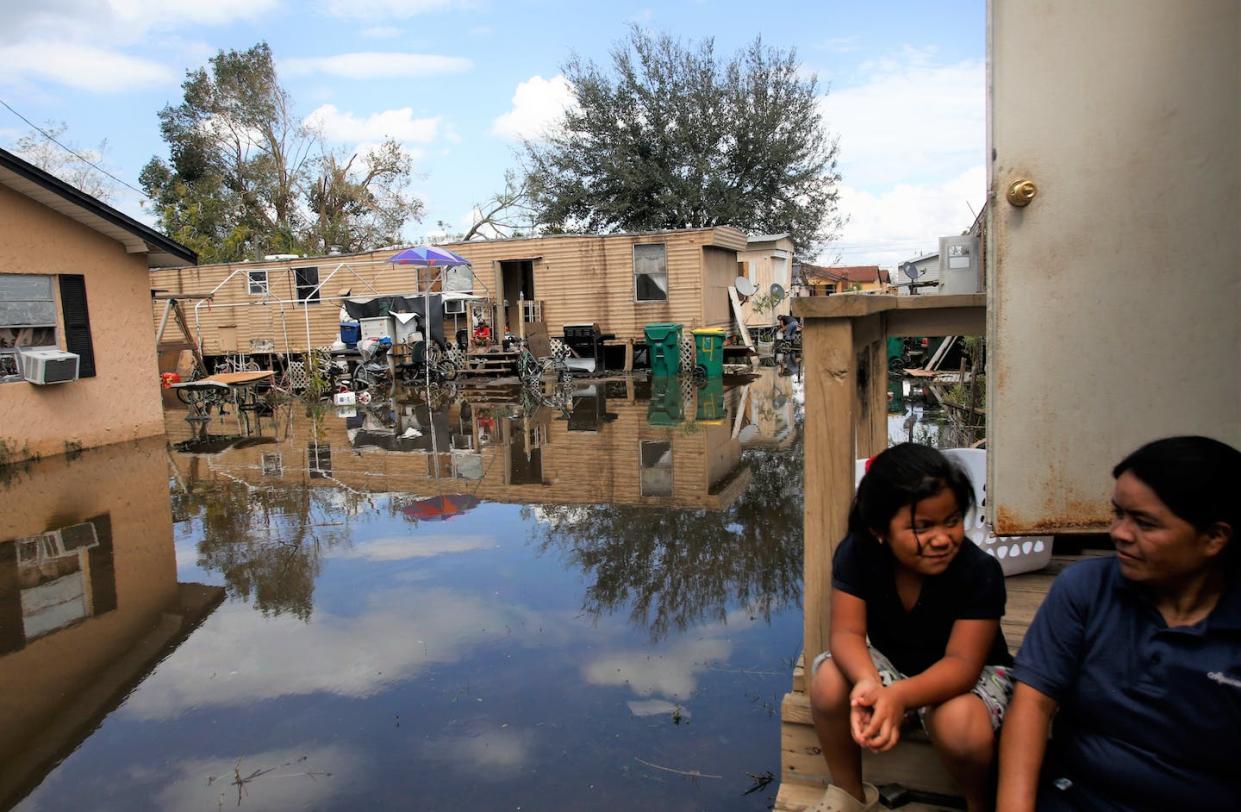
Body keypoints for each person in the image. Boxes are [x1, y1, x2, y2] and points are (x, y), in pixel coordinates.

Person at [997, 436, 1241, 811]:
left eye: (1144, 523)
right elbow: (1032, 703)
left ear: (1213, 538)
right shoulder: (1086, 589)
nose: (1119, 533)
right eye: (1118, 514)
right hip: (1076, 796)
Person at [809, 443, 1012, 812]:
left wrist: (898, 698)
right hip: (896, 669)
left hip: (969, 680)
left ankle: (981, 804)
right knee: (829, 679)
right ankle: (848, 796)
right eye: (922, 527)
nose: (941, 538)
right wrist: (870, 683)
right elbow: (847, 634)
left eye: (952, 520)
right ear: (879, 530)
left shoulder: (978, 571)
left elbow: (962, 666)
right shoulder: (857, 553)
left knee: (958, 722)